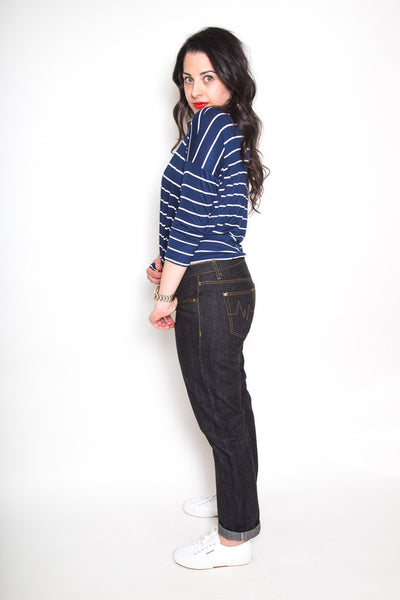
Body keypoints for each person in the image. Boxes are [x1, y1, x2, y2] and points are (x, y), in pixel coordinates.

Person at [146, 26, 268, 569]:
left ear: (231, 79)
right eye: (188, 78)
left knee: (220, 410)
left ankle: (234, 539)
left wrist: (166, 293)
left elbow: (194, 214)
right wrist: (165, 264)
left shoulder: (212, 124)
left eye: (209, 77)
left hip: (211, 286)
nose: (196, 89)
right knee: (230, 404)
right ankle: (235, 499)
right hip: (221, 279)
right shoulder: (216, 127)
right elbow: (200, 214)